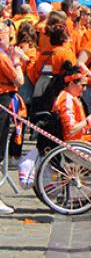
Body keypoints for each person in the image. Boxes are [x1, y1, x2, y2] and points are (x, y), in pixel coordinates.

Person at [0, 19, 24, 214]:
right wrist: (16, 61)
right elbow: (19, 79)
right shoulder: (2, 57)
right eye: (8, 36)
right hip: (3, 100)